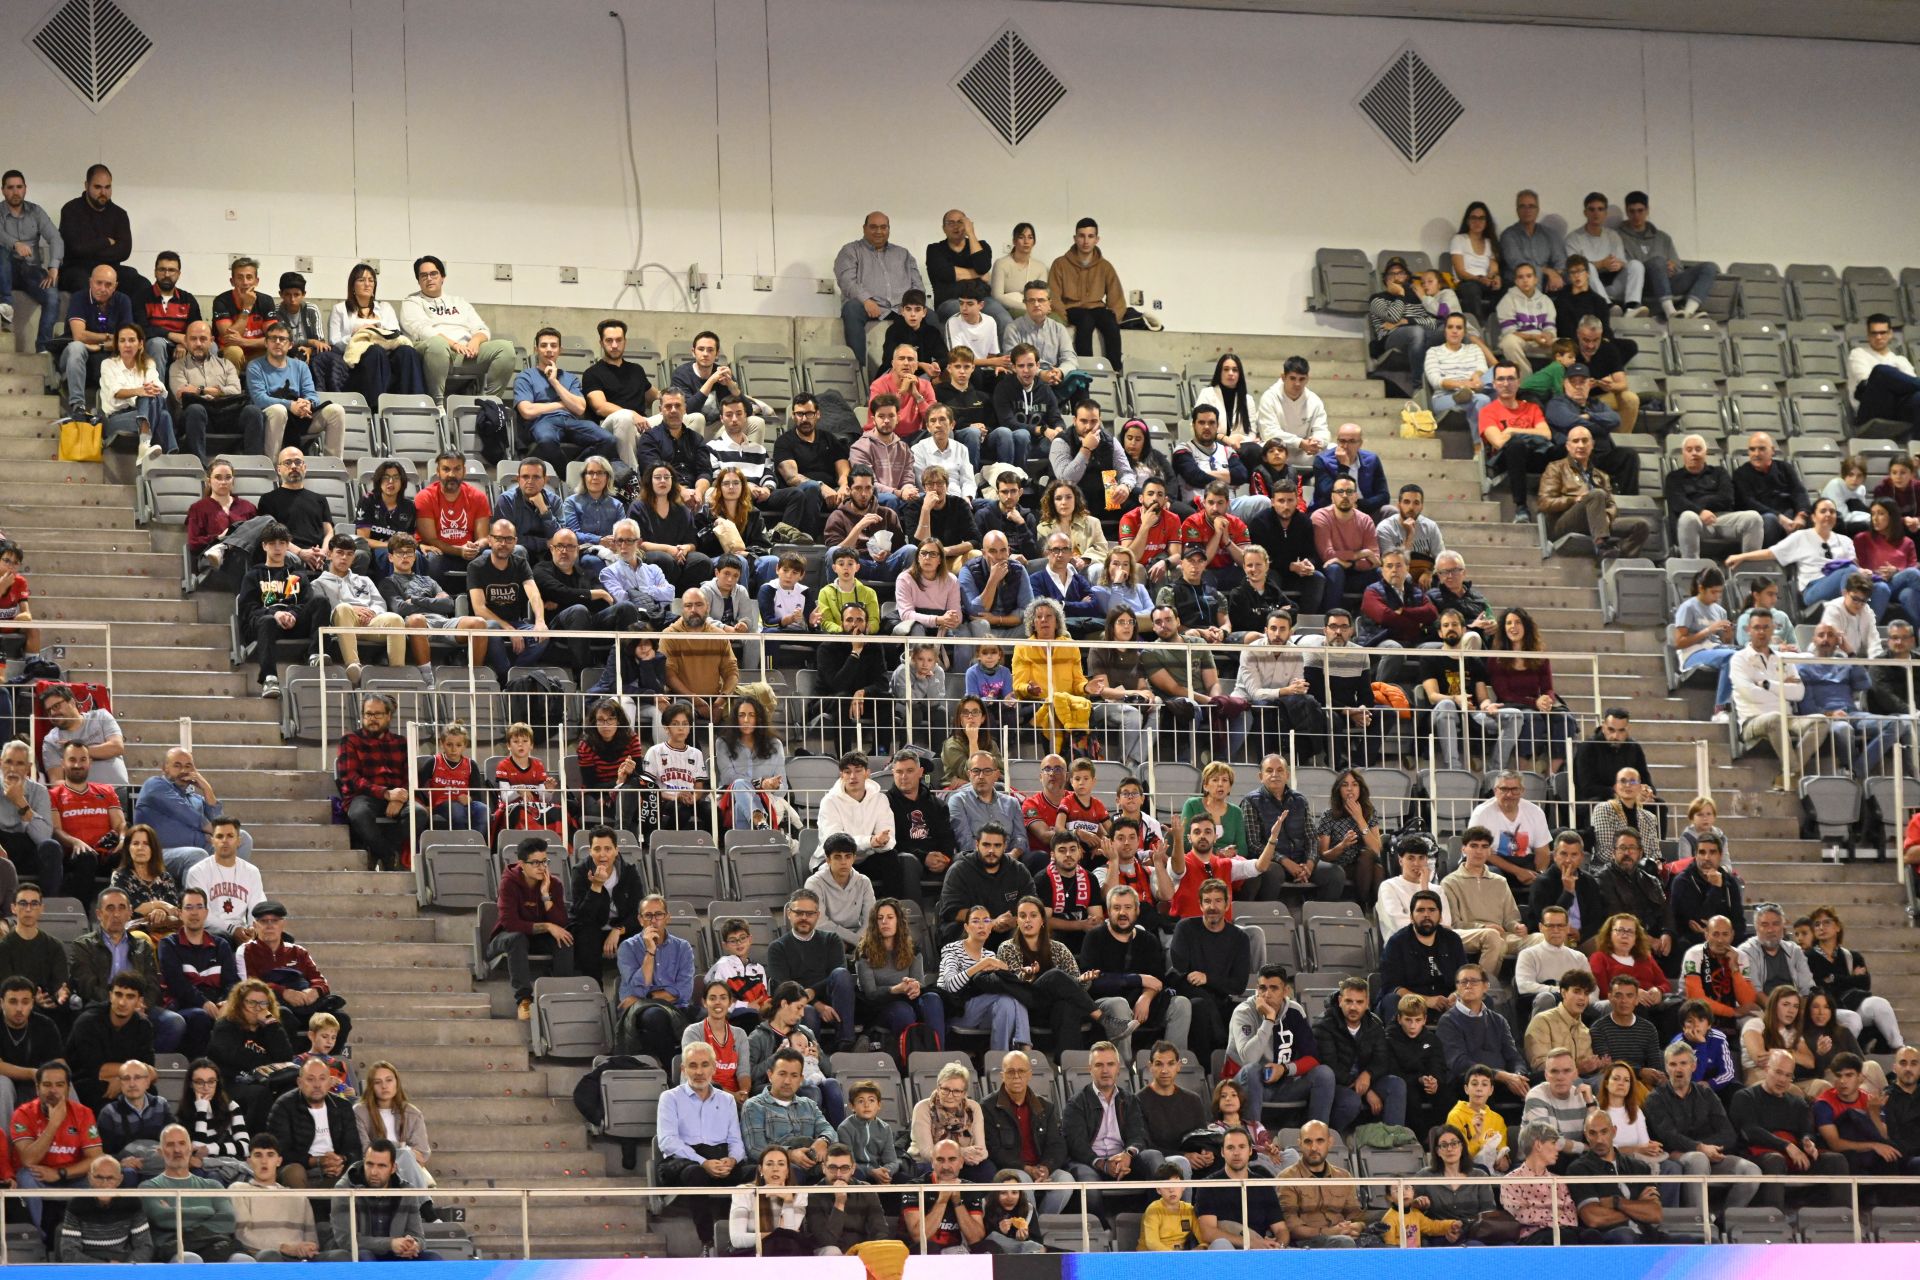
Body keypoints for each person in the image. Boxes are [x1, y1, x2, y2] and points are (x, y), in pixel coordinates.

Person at [1730, 1049, 1852, 1205]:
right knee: (1775, 1160)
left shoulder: (1798, 1103)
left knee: (1836, 1160)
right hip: (1757, 1154)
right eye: (1778, 1072)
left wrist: (1808, 1143)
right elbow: (1750, 1130)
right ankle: (1774, 1219)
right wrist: (1786, 1146)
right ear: (1767, 1069)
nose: (1782, 1080)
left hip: (1794, 1155)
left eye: (1788, 1075)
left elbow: (1806, 1132)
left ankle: (1842, 1219)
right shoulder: (1745, 1097)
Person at [398, 255, 515, 400]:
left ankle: (490, 401)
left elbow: (481, 328)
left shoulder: (459, 302)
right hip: (432, 353)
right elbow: (422, 330)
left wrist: (475, 341)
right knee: (437, 344)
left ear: (442, 277)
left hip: (465, 353)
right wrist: (452, 344)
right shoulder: (412, 302)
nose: (429, 278)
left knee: (505, 348)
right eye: (423, 275)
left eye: (433, 274)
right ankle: (438, 403)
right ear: (418, 281)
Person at [487, 836, 573, 1022]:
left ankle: (560, 995)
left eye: (544, 861)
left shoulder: (554, 884)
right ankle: (524, 1000)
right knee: (517, 938)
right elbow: (510, 923)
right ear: (522, 864)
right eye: (535, 863)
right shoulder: (508, 883)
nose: (542, 867)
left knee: (564, 938)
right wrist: (548, 926)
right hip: (506, 937)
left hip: (536, 938)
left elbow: (561, 921)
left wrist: (545, 896)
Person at [140, 1123, 251, 1261]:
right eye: (170, 1145)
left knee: (243, 1260)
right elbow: (164, 1217)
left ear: (190, 1148)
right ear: (160, 1152)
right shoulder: (150, 1187)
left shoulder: (212, 1186)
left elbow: (227, 1220)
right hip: (175, 1249)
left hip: (215, 1246)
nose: (177, 1150)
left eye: (182, 1143)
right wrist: (207, 1210)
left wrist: (177, 1213)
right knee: (191, 1260)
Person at [1536, 424, 1648, 559]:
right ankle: (1601, 545)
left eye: (1585, 440)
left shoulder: (1601, 475)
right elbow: (1544, 503)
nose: (1581, 445)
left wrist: (1607, 516)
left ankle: (1618, 560)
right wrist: (1573, 499)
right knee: (1596, 494)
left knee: (1640, 526)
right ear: (1567, 446)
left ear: (1592, 445)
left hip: (1597, 521)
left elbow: (1612, 505)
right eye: (1575, 441)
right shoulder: (1555, 468)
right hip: (1563, 522)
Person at [1804, 904, 1906, 1050]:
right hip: (1827, 1009)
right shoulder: (1807, 957)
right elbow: (1819, 986)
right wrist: (1850, 979)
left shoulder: (1852, 956)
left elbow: (1865, 983)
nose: (1821, 927)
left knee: (1879, 1003)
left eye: (1826, 922)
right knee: (1852, 1018)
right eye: (1817, 924)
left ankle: (1899, 1049)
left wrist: (1834, 979)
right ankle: (1840, 1056)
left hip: (1852, 1004)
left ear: (1837, 927)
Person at [835, 212, 925, 373]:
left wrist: (911, 306)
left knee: (929, 315)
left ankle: (928, 374)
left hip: (900, 308)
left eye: (883, 227)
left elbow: (917, 283)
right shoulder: (850, 250)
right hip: (868, 306)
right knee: (851, 308)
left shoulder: (903, 254)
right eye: (873, 227)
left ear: (889, 229)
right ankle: (858, 372)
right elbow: (846, 281)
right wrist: (866, 300)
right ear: (864, 228)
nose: (879, 231)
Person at [612, 893, 694, 1067]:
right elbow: (637, 989)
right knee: (656, 1015)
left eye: (658, 915)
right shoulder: (627, 947)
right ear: (640, 920)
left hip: (675, 1007)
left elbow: (683, 992)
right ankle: (671, 1069)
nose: (653, 920)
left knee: (705, 1015)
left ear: (667, 918)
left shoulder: (683, 947)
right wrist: (650, 951)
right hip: (639, 1012)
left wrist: (646, 999)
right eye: (648, 915)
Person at [1048, 218, 1141, 368]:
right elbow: (1053, 295)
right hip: (1072, 309)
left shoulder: (1105, 266)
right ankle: (1086, 368)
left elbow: (1116, 297)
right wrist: (1063, 317)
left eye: (1090, 236)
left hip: (1097, 308)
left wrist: (1114, 316)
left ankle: (1115, 368)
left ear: (1097, 239)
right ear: (1075, 238)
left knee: (1109, 322)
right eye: (1082, 236)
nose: (1086, 241)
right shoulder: (1060, 264)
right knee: (1086, 320)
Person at [328, 263, 426, 401]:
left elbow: (395, 333)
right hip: (357, 361)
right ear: (352, 286)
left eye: (371, 280)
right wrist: (356, 335)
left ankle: (416, 401)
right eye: (361, 280)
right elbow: (334, 342)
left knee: (407, 351)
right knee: (375, 351)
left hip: (386, 355)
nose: (367, 284)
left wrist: (376, 332)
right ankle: (376, 407)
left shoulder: (385, 308)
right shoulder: (340, 309)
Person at [1617, 190, 1717, 319]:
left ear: (1647, 211)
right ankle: (1670, 311)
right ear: (1627, 211)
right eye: (1632, 211)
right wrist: (1659, 266)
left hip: (1668, 283)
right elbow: (1625, 266)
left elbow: (1679, 267)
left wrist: (1671, 267)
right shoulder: (1618, 236)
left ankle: (1688, 311)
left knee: (1709, 267)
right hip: (1642, 286)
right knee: (1657, 261)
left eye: (1640, 211)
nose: (1636, 215)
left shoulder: (1663, 237)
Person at [0, 170, 63, 352]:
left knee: (52, 296)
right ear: (3, 190)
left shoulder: (36, 211)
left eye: (19, 187)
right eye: (10, 188)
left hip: (31, 270)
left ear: (25, 189)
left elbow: (56, 238)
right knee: (2, 251)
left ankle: (43, 348)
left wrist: (53, 267)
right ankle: (6, 305)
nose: (15, 192)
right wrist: (15, 244)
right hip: (5, 269)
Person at [55, 1155, 153, 1262]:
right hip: (89, 1267)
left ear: (119, 1180)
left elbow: (145, 1246)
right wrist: (105, 1267)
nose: (104, 1184)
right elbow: (69, 1252)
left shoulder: (132, 1202)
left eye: (110, 1178)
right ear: (89, 1178)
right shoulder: (76, 1203)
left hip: (122, 1266)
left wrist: (127, 1267)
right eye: (99, 1177)